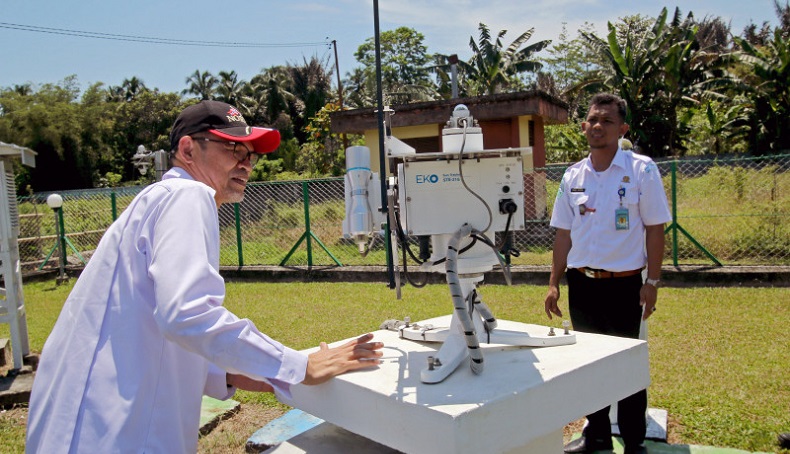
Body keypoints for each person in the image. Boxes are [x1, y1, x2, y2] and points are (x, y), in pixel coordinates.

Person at [26, 100, 384, 453]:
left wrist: (232, 374)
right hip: (116, 435)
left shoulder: (155, 201)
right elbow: (187, 314)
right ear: (187, 149)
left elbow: (150, 326)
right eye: (233, 148)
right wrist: (299, 366)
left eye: (251, 155)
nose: (246, 164)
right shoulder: (188, 194)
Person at [544, 93, 671, 454]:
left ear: (622, 129)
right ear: (584, 126)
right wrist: (553, 283)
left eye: (607, 121)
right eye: (592, 120)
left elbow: (655, 228)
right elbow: (563, 234)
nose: (598, 126)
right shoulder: (572, 175)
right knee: (588, 364)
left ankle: (634, 443)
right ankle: (596, 434)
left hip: (626, 285)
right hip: (582, 285)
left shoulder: (641, 170)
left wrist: (653, 282)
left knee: (626, 368)